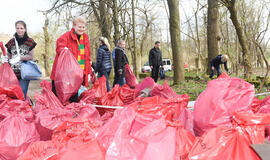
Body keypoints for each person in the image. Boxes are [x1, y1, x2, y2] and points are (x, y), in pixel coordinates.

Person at [50, 16, 93, 103]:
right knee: (59, 98)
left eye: (83, 27)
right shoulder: (66, 36)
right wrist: (64, 50)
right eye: (79, 27)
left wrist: (87, 72)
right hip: (64, 74)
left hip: (77, 75)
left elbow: (87, 56)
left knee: (74, 98)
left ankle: (72, 115)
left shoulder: (85, 38)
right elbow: (59, 45)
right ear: (74, 26)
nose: (81, 29)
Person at [4, 20, 37, 100]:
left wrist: (20, 58)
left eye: (21, 28)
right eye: (17, 28)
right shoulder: (11, 42)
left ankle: (24, 110)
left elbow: (31, 56)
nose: (19, 30)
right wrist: (5, 59)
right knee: (13, 95)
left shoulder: (30, 41)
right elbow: (9, 56)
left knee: (22, 94)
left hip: (24, 73)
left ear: (25, 29)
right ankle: (15, 111)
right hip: (12, 73)